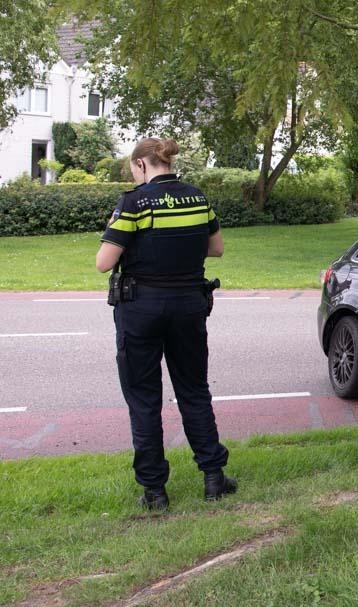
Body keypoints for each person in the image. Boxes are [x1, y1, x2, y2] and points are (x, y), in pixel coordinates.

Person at [96, 137, 235, 510]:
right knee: (193, 390)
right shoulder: (198, 198)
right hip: (189, 305)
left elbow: (104, 262)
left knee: (144, 399)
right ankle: (213, 477)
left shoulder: (133, 202)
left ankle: (155, 491)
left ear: (142, 165)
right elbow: (216, 247)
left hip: (141, 307)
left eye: (132, 169)